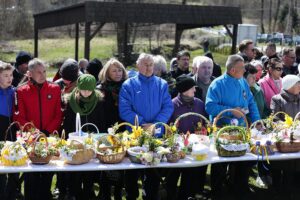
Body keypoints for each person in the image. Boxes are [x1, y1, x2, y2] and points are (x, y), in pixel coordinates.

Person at [119, 53, 173, 200]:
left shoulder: (162, 84)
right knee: (131, 170)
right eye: (145, 64)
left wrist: (155, 125)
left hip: (156, 134)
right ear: (138, 65)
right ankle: (131, 195)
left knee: (153, 167)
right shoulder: (128, 85)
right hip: (135, 134)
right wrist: (142, 124)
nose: (148, 68)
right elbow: (125, 109)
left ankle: (150, 194)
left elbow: (168, 107)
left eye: (151, 65)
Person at [206, 54, 260, 199]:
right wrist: (232, 111)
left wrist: (257, 121)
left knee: (243, 162)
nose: (245, 71)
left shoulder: (242, 81)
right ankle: (217, 191)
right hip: (222, 130)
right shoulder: (217, 84)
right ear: (233, 70)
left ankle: (240, 188)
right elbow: (210, 107)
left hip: (241, 129)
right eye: (242, 68)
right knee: (220, 163)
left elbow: (251, 102)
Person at [13, 58, 62, 200]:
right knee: (31, 173)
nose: (43, 75)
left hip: (49, 137)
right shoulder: (21, 91)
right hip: (29, 138)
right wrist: (34, 133)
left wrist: (46, 132)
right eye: (38, 72)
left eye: (44, 71)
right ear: (30, 73)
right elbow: (18, 117)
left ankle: (46, 195)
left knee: (48, 172)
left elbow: (58, 115)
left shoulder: (55, 88)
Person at [63, 74, 106, 200]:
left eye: (89, 89)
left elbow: (101, 120)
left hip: (92, 138)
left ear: (94, 88)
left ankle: (88, 190)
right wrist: (69, 137)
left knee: (89, 166)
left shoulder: (98, 101)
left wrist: (99, 137)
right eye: (83, 89)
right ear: (78, 87)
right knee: (75, 166)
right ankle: (74, 191)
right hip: (76, 138)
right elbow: (69, 121)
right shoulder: (72, 101)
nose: (86, 92)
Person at [166, 74, 207, 200]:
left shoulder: (199, 104)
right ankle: (170, 194)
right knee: (173, 174)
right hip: (177, 148)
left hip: (195, 147)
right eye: (192, 88)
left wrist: (204, 131)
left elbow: (205, 123)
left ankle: (187, 195)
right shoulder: (172, 105)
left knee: (190, 174)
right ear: (184, 90)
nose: (195, 90)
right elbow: (167, 126)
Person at [97, 58, 127, 200]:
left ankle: (118, 192)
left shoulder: (127, 87)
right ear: (107, 73)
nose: (118, 73)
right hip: (105, 129)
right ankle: (105, 193)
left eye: (120, 70)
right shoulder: (100, 89)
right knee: (106, 161)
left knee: (120, 161)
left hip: (122, 128)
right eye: (114, 70)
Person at [270, 75, 300, 198]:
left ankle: (291, 187)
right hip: (283, 140)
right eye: (298, 84)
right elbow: (275, 120)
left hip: (297, 139)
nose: (299, 86)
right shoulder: (277, 99)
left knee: (294, 165)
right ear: (290, 86)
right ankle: (277, 188)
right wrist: (291, 126)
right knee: (281, 164)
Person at [0, 61, 19, 200]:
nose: (9, 78)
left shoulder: (14, 91)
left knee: (14, 161)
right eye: (5, 75)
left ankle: (13, 192)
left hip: (12, 129)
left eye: (11, 75)